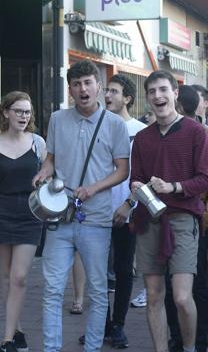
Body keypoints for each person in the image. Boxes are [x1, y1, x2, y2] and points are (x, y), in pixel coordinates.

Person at [32, 59, 130, 352]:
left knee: (99, 292)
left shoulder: (115, 125)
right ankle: (51, 348)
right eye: (77, 84)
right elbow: (51, 158)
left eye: (88, 82)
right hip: (60, 217)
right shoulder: (57, 119)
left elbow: (122, 170)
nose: (83, 89)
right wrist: (44, 171)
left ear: (99, 87)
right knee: (51, 289)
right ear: (70, 89)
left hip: (96, 219)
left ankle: (93, 348)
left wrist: (94, 188)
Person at [130, 70, 208, 352]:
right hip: (149, 220)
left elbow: (205, 180)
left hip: (182, 219)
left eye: (163, 90)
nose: (157, 96)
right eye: (152, 91)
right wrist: (137, 186)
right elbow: (135, 177)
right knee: (154, 296)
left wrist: (172, 187)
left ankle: (189, 348)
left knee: (181, 297)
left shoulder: (196, 132)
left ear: (175, 93)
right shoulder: (142, 138)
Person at [0, 91, 46, 352]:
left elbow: (46, 181)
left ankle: (7, 340)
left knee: (19, 277)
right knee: (5, 277)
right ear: (5, 112)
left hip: (30, 214)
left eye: (27, 112)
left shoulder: (38, 143)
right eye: (18, 111)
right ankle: (16, 331)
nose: (24, 116)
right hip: (1, 212)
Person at [165, 85, 208, 352]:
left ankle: (198, 342)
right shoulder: (163, 134)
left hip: (195, 223)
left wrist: (200, 222)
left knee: (197, 286)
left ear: (178, 105)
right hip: (165, 221)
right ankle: (177, 338)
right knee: (170, 287)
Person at [101, 73, 147, 348]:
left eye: (114, 91)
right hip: (99, 210)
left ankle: (118, 325)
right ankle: (102, 325)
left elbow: (144, 173)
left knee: (123, 268)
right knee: (97, 271)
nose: (108, 95)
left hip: (129, 208)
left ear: (127, 98)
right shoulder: (100, 127)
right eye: (107, 90)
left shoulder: (140, 132)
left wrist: (130, 203)